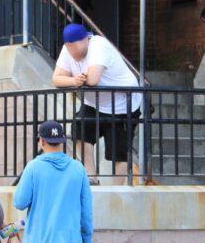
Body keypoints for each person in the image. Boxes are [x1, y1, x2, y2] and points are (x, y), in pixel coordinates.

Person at [52, 23, 141, 179]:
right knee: (79, 132)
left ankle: (116, 193)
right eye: (68, 48)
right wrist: (74, 80)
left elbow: (93, 79)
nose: (72, 53)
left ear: (85, 40)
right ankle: (91, 177)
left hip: (122, 105)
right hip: (94, 103)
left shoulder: (99, 44)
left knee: (118, 152)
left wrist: (76, 79)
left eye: (74, 47)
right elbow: (57, 78)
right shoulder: (67, 50)